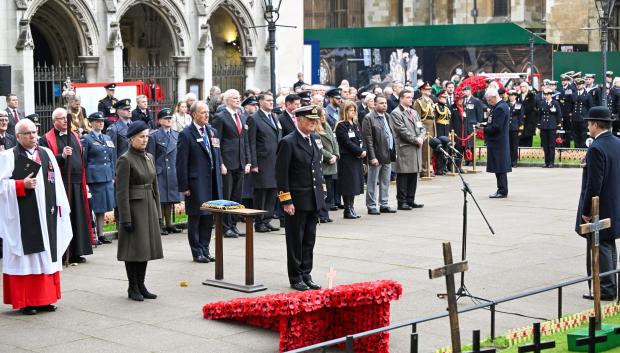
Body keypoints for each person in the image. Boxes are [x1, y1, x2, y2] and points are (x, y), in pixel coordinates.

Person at [0, 119, 73, 315]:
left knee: (46, 256)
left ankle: (46, 299)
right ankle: (27, 301)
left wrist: (60, 206)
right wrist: (19, 185)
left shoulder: (46, 153)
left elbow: (56, 181)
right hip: (21, 218)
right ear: (18, 137)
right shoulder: (8, 156)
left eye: (34, 132)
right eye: (27, 133)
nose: (33, 136)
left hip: (46, 215)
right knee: (27, 258)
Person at [276, 105, 326, 291]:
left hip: (312, 198)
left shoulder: (314, 139)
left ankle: (306, 273)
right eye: (309, 120)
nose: (313, 124)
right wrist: (286, 201)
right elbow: (282, 175)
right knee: (295, 241)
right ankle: (295, 277)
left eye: (315, 120)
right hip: (296, 200)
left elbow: (317, 169)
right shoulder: (288, 142)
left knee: (309, 240)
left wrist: (322, 194)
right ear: (298, 120)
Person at [115, 120, 163, 301]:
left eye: (146, 137)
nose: (145, 140)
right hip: (134, 209)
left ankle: (141, 284)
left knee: (145, 248)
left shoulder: (149, 157)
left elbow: (155, 186)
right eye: (141, 137)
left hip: (148, 206)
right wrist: (125, 218)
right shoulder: (125, 159)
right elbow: (121, 191)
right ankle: (132, 286)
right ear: (131, 139)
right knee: (134, 249)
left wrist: (158, 211)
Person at [39, 108, 94, 263]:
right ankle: (64, 253)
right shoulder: (46, 139)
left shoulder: (75, 136)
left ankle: (77, 251)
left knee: (78, 218)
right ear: (54, 121)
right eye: (61, 118)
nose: (65, 121)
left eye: (66, 118)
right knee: (64, 218)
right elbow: (45, 161)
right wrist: (61, 156)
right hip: (61, 183)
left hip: (77, 182)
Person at [577, 107, 620, 301]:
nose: (587, 126)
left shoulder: (596, 147)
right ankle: (610, 285)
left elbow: (593, 184)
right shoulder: (616, 142)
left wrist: (587, 211)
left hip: (600, 205)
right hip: (614, 200)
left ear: (595, 124)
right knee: (608, 244)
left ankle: (605, 288)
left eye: (589, 123)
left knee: (600, 245)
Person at [176, 101, 222, 263]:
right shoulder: (186, 134)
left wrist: (220, 166)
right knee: (196, 218)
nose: (206, 115)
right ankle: (197, 252)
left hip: (212, 183)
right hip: (196, 184)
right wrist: (184, 186)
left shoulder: (212, 131)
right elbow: (181, 163)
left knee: (208, 218)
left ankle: (205, 249)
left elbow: (216, 153)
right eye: (202, 112)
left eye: (207, 112)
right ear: (194, 114)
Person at [211, 89, 251, 238]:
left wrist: (248, 161)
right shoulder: (220, 117)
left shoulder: (241, 116)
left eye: (239, 97)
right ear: (227, 100)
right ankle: (225, 226)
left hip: (240, 162)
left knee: (236, 196)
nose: (238, 100)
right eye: (234, 98)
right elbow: (217, 142)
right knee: (227, 196)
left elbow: (245, 140)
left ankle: (233, 224)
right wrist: (220, 162)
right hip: (227, 163)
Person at [247, 93, 282, 233]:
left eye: (272, 100)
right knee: (261, 193)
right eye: (268, 100)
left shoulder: (274, 116)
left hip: (275, 161)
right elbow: (251, 143)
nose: (271, 103)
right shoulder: (254, 118)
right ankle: (259, 222)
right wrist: (253, 163)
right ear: (260, 102)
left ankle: (267, 220)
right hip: (262, 162)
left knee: (272, 192)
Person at [81, 112, 116, 245]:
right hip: (94, 178)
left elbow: (111, 158)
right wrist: (85, 179)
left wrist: (112, 175)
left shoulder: (107, 137)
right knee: (94, 207)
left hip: (106, 176)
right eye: (97, 121)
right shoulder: (86, 139)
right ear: (91, 123)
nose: (100, 123)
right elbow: (84, 160)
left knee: (102, 208)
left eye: (102, 121)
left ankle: (101, 234)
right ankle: (93, 235)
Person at [147, 108, 183, 235]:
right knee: (161, 199)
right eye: (166, 119)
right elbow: (150, 156)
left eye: (170, 118)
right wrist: (153, 172)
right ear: (160, 121)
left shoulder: (177, 134)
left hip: (172, 170)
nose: (169, 120)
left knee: (170, 199)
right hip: (160, 170)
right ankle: (160, 224)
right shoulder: (154, 136)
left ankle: (169, 224)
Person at [390, 90, 425, 210]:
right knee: (404, 175)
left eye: (411, 97)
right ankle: (402, 201)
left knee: (414, 175)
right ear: (401, 99)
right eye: (408, 97)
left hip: (415, 147)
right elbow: (402, 131)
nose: (411, 99)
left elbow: (422, 127)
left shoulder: (414, 112)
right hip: (405, 148)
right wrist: (416, 140)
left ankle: (411, 199)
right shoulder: (396, 113)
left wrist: (421, 137)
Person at [362, 94, 396, 215]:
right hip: (376, 155)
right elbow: (368, 139)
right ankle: (371, 205)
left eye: (385, 103)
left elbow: (390, 134)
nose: (384, 105)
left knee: (385, 181)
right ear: (374, 104)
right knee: (372, 181)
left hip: (387, 153)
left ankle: (384, 204)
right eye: (381, 103)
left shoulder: (387, 116)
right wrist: (372, 157)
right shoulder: (369, 118)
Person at [335, 100, 366, 219]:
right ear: (344, 111)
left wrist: (363, 150)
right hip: (347, 158)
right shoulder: (341, 125)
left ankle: (351, 207)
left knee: (354, 184)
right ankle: (347, 209)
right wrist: (359, 151)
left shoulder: (356, 124)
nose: (353, 112)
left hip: (356, 158)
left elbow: (361, 139)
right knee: (348, 184)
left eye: (354, 110)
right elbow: (346, 142)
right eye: (350, 110)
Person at [480, 88, 511, 198]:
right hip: (498, 141)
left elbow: (497, 127)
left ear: (494, 97)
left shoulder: (500, 108)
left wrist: (484, 129)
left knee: (500, 167)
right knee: (499, 166)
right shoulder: (499, 106)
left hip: (498, 142)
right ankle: (501, 189)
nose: (488, 102)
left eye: (489, 100)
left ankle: (502, 190)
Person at [316, 107, 339, 223]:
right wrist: (329, 156)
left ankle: (326, 213)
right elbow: (318, 147)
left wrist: (336, 155)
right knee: (322, 191)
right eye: (321, 115)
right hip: (324, 164)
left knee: (329, 190)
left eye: (325, 115)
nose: (323, 117)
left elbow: (335, 142)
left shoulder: (327, 126)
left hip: (332, 163)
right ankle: (321, 214)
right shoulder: (315, 129)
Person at [538, 89, 562, 168]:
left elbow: (559, 115)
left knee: (551, 145)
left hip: (552, 126)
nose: (546, 96)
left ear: (551, 95)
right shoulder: (542, 103)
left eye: (548, 94)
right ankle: (546, 162)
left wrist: (559, 126)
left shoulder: (555, 103)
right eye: (545, 94)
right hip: (544, 126)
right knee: (545, 145)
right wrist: (539, 125)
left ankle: (551, 162)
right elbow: (539, 114)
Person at [572, 78, 594, 148]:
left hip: (583, 117)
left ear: (583, 85)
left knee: (583, 134)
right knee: (575, 134)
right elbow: (572, 106)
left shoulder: (587, 95)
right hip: (575, 117)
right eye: (577, 84)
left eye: (580, 84)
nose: (578, 86)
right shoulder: (574, 94)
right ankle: (576, 148)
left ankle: (582, 148)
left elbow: (590, 107)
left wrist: (589, 117)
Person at [517, 82, 538, 147]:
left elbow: (532, 105)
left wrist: (524, 113)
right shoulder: (519, 95)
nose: (522, 88)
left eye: (523, 86)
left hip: (529, 118)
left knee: (528, 135)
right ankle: (521, 148)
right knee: (521, 134)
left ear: (527, 87)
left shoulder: (531, 95)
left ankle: (528, 148)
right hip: (521, 118)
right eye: (521, 87)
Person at [507, 90, 521, 167]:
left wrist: (520, 129)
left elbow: (521, 117)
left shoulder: (519, 105)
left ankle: (514, 161)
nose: (510, 97)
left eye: (512, 95)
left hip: (515, 127)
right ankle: (508, 161)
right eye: (509, 95)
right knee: (508, 145)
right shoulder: (506, 104)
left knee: (514, 145)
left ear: (515, 96)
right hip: (507, 127)